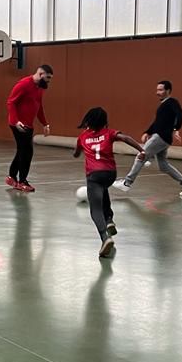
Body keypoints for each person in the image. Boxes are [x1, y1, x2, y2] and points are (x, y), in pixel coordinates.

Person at [73, 107, 145, 258]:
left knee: (95, 209)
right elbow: (126, 138)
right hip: (110, 174)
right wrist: (141, 150)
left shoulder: (83, 137)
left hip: (94, 175)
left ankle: (105, 238)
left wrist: (78, 150)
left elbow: (76, 154)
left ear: (88, 121)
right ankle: (109, 219)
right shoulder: (109, 133)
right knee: (103, 189)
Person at [113, 80, 182, 197]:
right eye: (157, 90)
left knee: (141, 156)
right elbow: (158, 122)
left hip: (161, 137)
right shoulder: (164, 105)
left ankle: (127, 183)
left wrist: (176, 129)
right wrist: (148, 132)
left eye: (161, 90)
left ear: (168, 90)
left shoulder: (172, 102)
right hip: (163, 138)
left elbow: (181, 114)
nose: (157, 92)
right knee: (163, 165)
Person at [6, 65, 53, 192]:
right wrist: (16, 121)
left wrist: (45, 124)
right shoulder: (24, 84)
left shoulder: (40, 87)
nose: (49, 81)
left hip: (28, 125)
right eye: (48, 77)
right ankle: (22, 181)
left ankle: (11, 177)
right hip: (19, 125)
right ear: (41, 74)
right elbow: (11, 102)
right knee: (27, 152)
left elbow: (39, 106)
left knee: (22, 151)